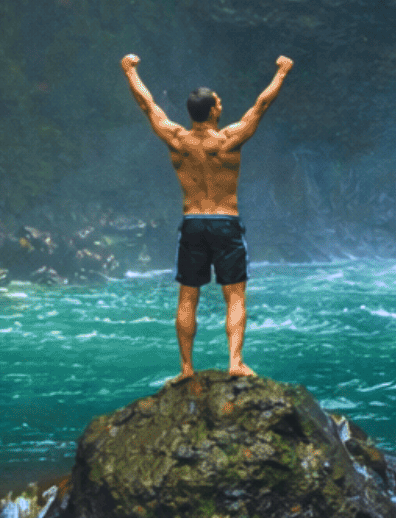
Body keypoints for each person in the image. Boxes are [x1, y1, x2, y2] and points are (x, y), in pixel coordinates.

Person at [119, 53, 293, 385]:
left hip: (193, 222)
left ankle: (186, 369)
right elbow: (261, 106)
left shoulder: (177, 140)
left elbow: (148, 105)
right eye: (219, 102)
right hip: (225, 222)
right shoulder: (228, 140)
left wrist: (130, 72)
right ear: (214, 110)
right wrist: (281, 73)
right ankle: (235, 362)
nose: (222, 104)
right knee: (236, 295)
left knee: (187, 295)